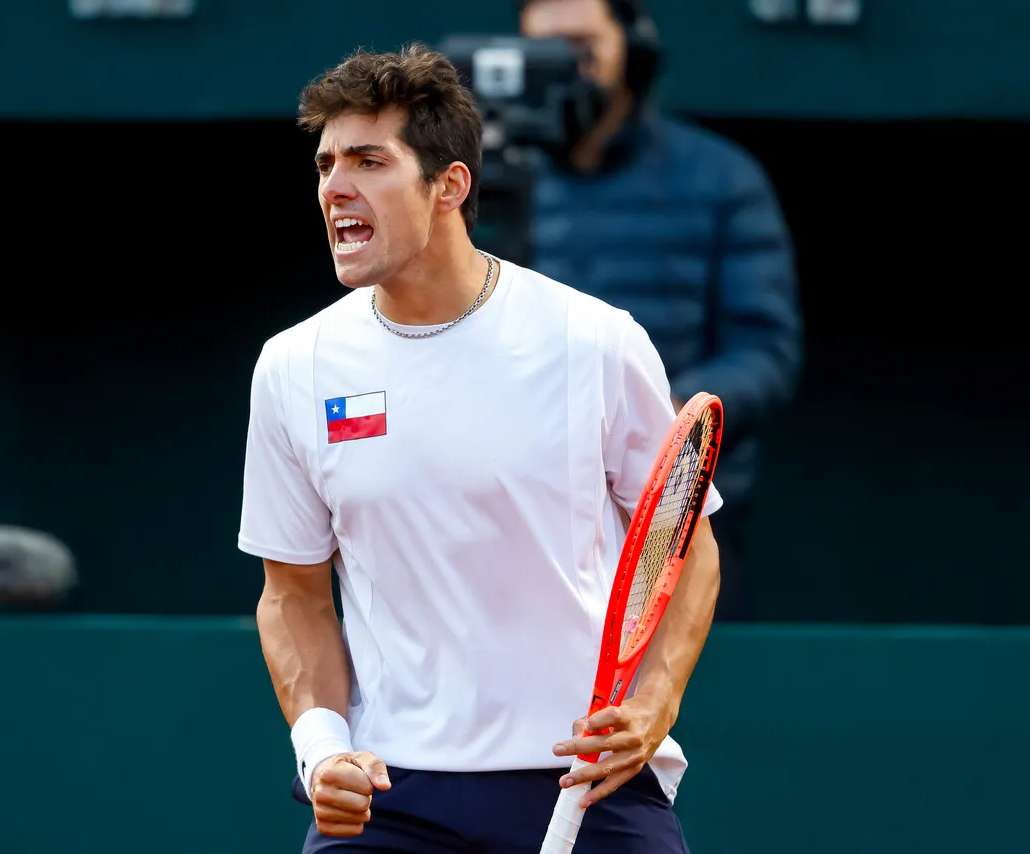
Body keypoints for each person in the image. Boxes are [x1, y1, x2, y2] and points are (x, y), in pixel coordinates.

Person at [238, 42, 721, 854]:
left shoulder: (595, 342)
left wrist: (655, 703)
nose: (335, 188)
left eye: (368, 160)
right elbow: (292, 594)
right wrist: (321, 749)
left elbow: (688, 548)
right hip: (393, 793)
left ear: (450, 185)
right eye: (325, 165)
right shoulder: (293, 366)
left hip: (585, 780)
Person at [519, 0, 804, 621]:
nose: (565, 70)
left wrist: (666, 417)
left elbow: (766, 351)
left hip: (682, 512)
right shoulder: (492, 186)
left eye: (582, 48)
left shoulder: (723, 179)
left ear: (634, 51)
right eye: (545, 53)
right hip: (529, 516)